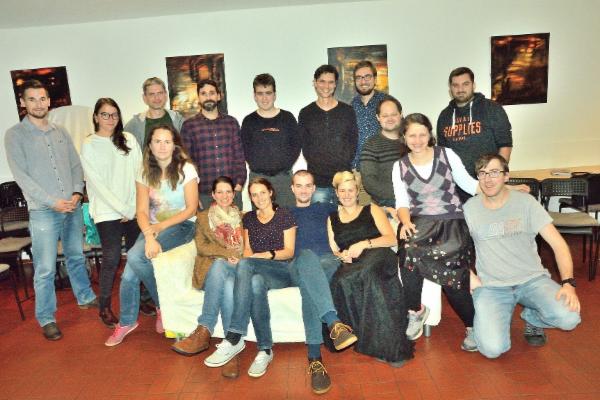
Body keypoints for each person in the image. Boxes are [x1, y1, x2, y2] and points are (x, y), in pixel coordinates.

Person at [204, 177, 356, 383]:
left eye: (263, 193)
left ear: (271, 193)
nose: (259, 198)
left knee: (307, 263)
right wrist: (252, 258)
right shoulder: (250, 218)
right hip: (279, 269)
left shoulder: (298, 212)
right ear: (291, 188)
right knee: (246, 266)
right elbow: (247, 252)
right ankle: (235, 335)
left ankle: (318, 352)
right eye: (254, 194)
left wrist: (358, 243)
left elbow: (350, 209)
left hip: (300, 264)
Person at [5, 79, 97, 340]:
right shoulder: (15, 135)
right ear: (23, 102)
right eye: (32, 99)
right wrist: (52, 201)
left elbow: (75, 166)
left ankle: (85, 296)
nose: (38, 104)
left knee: (76, 256)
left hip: (71, 207)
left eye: (42, 98)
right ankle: (46, 317)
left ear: (48, 101)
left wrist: (77, 193)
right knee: (45, 268)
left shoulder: (60, 131)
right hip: (43, 212)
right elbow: (22, 177)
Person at [464, 154, 581, 359]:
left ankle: (532, 316)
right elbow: (454, 246)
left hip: (532, 280)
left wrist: (568, 283)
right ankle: (497, 319)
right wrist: (468, 273)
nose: (488, 179)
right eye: (482, 173)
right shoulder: (469, 209)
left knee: (569, 318)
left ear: (506, 176)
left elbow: (559, 245)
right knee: (492, 350)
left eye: (494, 172)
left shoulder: (526, 203)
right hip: (492, 286)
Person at [392, 113, 480, 351]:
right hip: (421, 222)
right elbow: (402, 201)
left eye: (422, 134)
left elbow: (469, 184)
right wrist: (405, 222)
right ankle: (415, 310)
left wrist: (505, 189)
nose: (418, 140)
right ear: (404, 137)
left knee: (452, 277)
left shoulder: (446, 155)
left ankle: (472, 326)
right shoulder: (399, 166)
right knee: (408, 250)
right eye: (412, 135)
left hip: (452, 221)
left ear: (429, 134)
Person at [105, 125, 198, 346]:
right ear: (150, 145)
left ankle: (161, 307)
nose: (162, 146)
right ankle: (129, 321)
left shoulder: (186, 169)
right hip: (153, 228)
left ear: (175, 145)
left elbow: (191, 209)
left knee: (134, 256)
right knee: (129, 274)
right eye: (157, 141)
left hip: (182, 225)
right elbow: (142, 211)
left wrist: (159, 228)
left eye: (167, 141)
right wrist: (148, 235)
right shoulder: (144, 172)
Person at [327, 171, 414, 366]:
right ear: (337, 193)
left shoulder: (371, 209)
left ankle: (390, 346)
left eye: (351, 190)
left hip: (379, 255)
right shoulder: (332, 218)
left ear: (357, 191)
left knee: (369, 274)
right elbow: (334, 249)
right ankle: (365, 339)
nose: (347, 194)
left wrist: (364, 244)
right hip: (354, 262)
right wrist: (343, 255)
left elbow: (391, 239)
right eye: (343, 190)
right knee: (341, 280)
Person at [170, 176, 248, 379]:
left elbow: (250, 246)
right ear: (213, 195)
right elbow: (202, 247)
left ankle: (206, 329)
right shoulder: (203, 217)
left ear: (234, 194)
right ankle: (231, 346)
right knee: (225, 277)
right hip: (212, 272)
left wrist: (239, 258)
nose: (224, 196)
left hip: (238, 267)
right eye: (219, 192)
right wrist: (227, 254)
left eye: (228, 191)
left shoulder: (243, 217)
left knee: (229, 278)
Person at [81, 98, 142, 328]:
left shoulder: (128, 139)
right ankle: (104, 306)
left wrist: (133, 207)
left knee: (137, 256)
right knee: (112, 257)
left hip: (133, 208)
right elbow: (97, 184)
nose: (110, 119)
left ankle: (142, 299)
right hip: (107, 211)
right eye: (105, 114)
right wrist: (123, 209)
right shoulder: (89, 144)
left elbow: (139, 173)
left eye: (114, 114)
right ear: (96, 117)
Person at [437, 67, 512, 202]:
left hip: (489, 184)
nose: (460, 89)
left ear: (473, 85)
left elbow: (505, 144)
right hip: (458, 188)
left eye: (465, 84)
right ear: (450, 88)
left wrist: (497, 177)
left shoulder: (492, 109)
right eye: (455, 85)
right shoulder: (444, 116)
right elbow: (443, 154)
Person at [181, 79, 246, 210]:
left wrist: (238, 185)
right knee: (205, 224)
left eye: (212, 93)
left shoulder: (231, 123)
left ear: (218, 96)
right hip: (204, 194)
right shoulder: (189, 126)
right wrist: (193, 193)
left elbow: (239, 156)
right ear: (198, 97)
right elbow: (186, 162)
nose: (208, 97)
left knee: (235, 224)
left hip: (231, 192)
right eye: (203, 93)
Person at [298, 65, 358, 204]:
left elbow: (353, 141)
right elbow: (304, 144)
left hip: (344, 181)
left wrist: (343, 164)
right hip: (318, 181)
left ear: (335, 84)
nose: (326, 86)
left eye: (331, 82)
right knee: (319, 218)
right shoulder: (306, 113)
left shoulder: (347, 111)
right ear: (315, 83)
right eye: (322, 81)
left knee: (347, 217)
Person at [240, 73, 301, 208]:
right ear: (254, 96)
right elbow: (244, 149)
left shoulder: (287, 118)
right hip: (258, 179)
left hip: (284, 179)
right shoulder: (249, 121)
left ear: (275, 95)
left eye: (268, 93)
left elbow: (296, 145)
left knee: (286, 217)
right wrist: (259, 166)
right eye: (260, 93)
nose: (264, 98)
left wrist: (284, 165)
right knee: (260, 218)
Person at [360, 96, 405, 212]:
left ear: (401, 114)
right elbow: (369, 182)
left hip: (417, 200)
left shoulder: (412, 141)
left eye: (394, 114)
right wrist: (401, 194)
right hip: (388, 204)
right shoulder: (371, 145)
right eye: (385, 115)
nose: (390, 119)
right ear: (378, 118)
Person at [124, 77, 185, 148]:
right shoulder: (134, 125)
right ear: (144, 98)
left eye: (160, 93)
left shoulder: (179, 121)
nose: (156, 98)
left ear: (165, 95)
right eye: (152, 94)